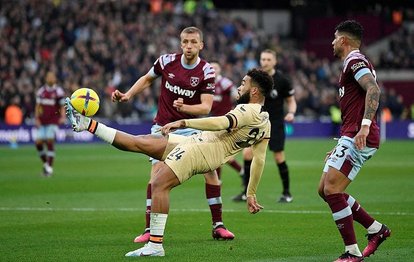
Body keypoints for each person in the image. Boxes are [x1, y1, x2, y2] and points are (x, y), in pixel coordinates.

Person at [66, 68, 273, 257]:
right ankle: (87, 124)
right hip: (199, 144)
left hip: (202, 150)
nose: (239, 86)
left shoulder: (247, 110)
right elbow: (260, 158)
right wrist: (251, 192)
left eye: (244, 83)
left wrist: (184, 121)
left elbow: (221, 122)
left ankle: (155, 245)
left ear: (254, 91)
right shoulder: (265, 121)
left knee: (158, 183)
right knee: (140, 143)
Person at [111, 26, 234, 242]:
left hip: (192, 128)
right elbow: (147, 78)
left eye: (193, 42)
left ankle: (218, 226)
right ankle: (149, 230)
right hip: (162, 128)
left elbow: (206, 107)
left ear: (201, 45)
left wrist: (185, 108)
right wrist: (129, 95)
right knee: (156, 175)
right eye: (185, 42)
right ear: (180, 43)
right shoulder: (166, 61)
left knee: (211, 172)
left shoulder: (206, 71)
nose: (188, 46)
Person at [318, 20, 391, 262]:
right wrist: (341, 143)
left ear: (344, 41)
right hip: (349, 135)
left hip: (360, 135)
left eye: (334, 37)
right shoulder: (349, 64)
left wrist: (364, 127)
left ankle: (352, 252)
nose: (332, 42)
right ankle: (376, 230)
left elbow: (373, 90)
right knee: (324, 190)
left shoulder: (355, 61)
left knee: (332, 189)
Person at [233, 49, 297, 203]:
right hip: (255, 122)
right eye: (263, 59)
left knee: (279, 157)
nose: (265, 62)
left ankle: (287, 193)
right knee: (247, 154)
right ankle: (245, 192)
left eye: (268, 59)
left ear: (275, 61)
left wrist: (292, 113)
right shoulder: (254, 79)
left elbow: (290, 101)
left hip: (275, 123)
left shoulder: (282, 80)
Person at [210, 62, 243, 179]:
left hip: (225, 122)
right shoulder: (207, 84)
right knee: (219, 152)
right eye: (211, 67)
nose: (213, 70)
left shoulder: (224, 82)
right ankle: (241, 171)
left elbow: (237, 95)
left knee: (218, 152)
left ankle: (218, 179)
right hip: (213, 121)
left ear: (220, 70)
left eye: (216, 67)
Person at [34, 71, 66, 177]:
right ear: (46, 78)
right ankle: (46, 164)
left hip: (53, 121)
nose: (51, 79)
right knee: (38, 143)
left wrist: (62, 116)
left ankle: (50, 167)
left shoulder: (58, 91)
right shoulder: (41, 92)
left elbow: (62, 106)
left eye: (52, 77)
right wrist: (37, 118)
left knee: (49, 140)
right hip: (43, 121)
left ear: (55, 79)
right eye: (49, 77)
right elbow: (38, 106)